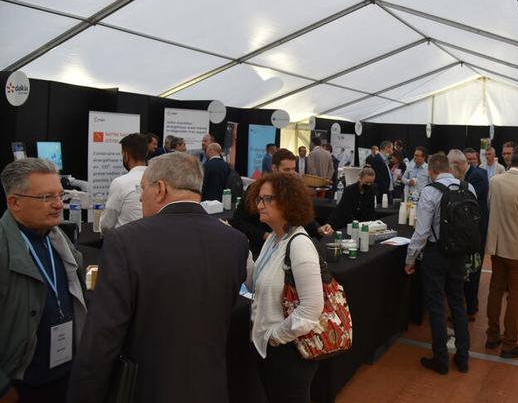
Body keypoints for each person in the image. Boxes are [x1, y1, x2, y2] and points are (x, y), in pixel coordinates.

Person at [68, 152, 249, 403]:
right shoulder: (235, 242)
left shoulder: (125, 241)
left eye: (143, 189)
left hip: (145, 389)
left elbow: (104, 334)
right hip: (212, 386)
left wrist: (83, 395)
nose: (141, 197)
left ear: (160, 189)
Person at [0, 159, 87, 403]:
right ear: (15, 202)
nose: (58, 204)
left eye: (60, 195)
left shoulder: (59, 241)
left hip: (65, 377)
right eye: (46, 197)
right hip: (21, 386)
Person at [245, 173, 324, 402]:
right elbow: (254, 284)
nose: (260, 205)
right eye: (259, 199)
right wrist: (240, 248)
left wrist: (275, 336)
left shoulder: (300, 245)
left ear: (287, 201)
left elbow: (311, 308)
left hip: (289, 353)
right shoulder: (274, 239)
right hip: (270, 350)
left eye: (267, 199)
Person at [404, 153, 473, 374]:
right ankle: (463, 357)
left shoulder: (430, 191)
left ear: (432, 170)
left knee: (435, 306)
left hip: (436, 255)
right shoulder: (467, 188)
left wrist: (410, 259)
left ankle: (441, 359)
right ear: (449, 168)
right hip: (460, 255)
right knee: (457, 304)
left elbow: (422, 232)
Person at [485, 144, 518, 358]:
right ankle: (509, 344)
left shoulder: (495, 181)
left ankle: (492, 335)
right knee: (516, 297)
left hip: (498, 247)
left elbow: (490, 207)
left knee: (495, 291)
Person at [229, 149, 333, 258]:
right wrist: (265, 236)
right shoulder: (256, 190)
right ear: (274, 168)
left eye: (293, 169)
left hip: (288, 251)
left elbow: (301, 218)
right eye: (286, 170)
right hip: (260, 251)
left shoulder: (295, 190)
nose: (291, 174)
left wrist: (318, 229)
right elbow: (238, 221)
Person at [459, 149, 489, 320]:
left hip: (475, 231)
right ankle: (470, 305)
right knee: (469, 270)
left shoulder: (476, 176)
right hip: (472, 230)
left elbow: (469, 203)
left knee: (472, 270)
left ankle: (470, 308)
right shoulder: (475, 174)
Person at [100, 133, 148, 233]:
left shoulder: (120, 183)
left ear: (126, 154)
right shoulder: (159, 179)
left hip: (125, 243)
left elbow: (106, 224)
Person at [371, 141, 394, 205]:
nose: (391, 152)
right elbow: (379, 178)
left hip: (385, 191)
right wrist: (385, 191)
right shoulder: (378, 159)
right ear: (387, 148)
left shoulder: (383, 159)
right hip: (382, 192)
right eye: (391, 149)